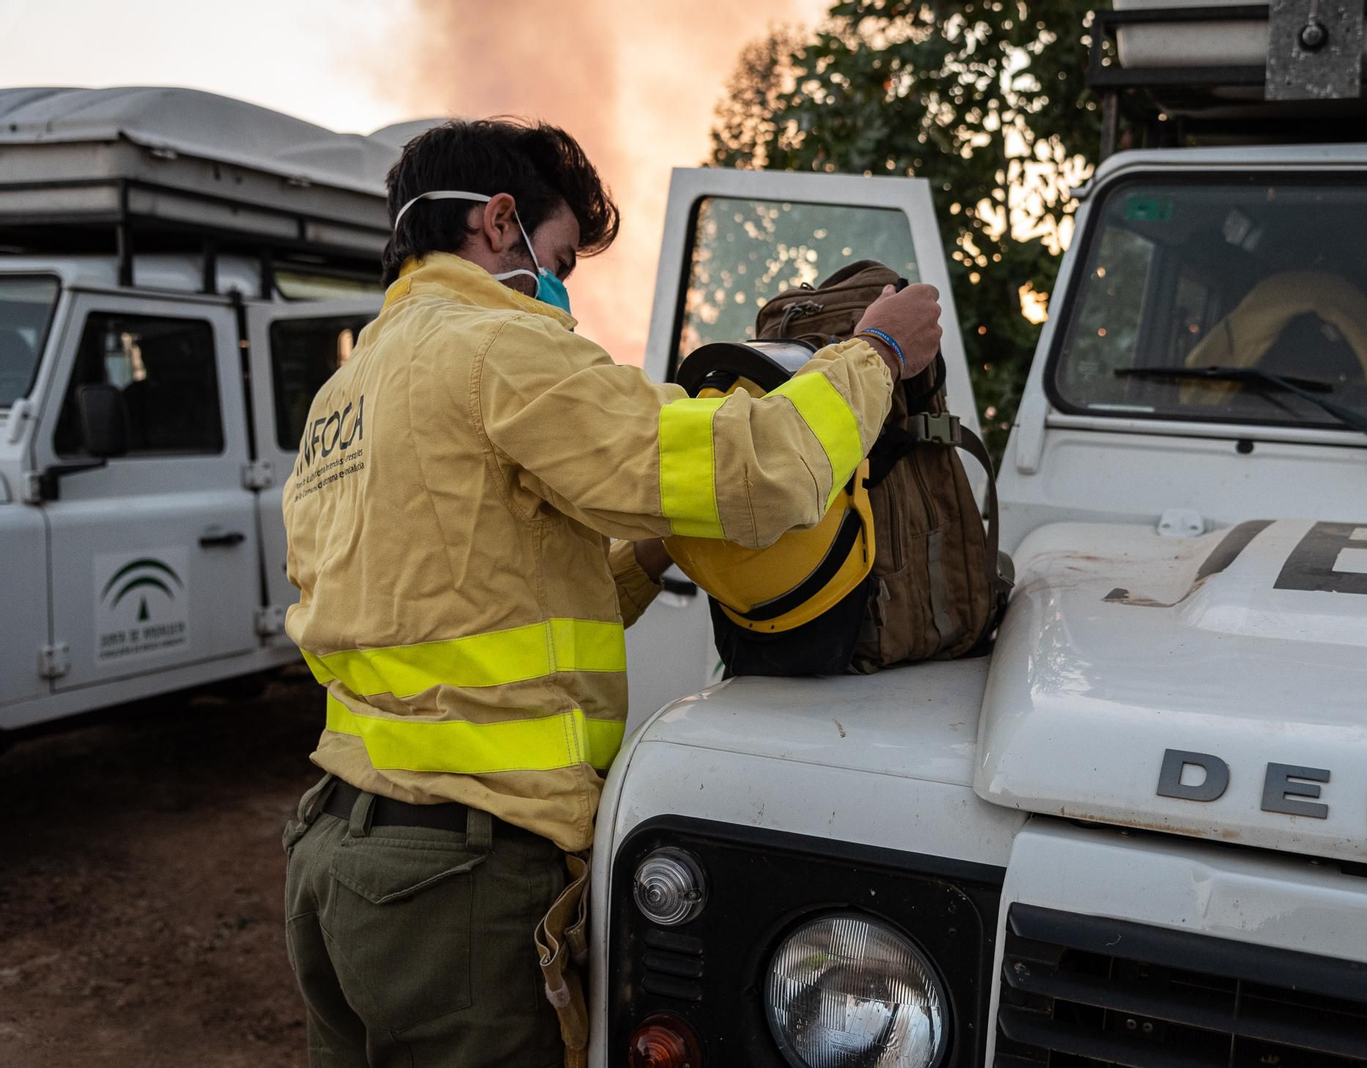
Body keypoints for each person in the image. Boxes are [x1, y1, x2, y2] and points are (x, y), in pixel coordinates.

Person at [277, 117, 943, 1068]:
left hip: (333, 858)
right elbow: (753, 466)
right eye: (558, 258)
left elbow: (485, 602)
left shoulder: (350, 391)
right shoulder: (496, 346)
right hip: (455, 877)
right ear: (500, 223)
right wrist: (875, 354)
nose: (562, 293)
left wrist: (657, 546)